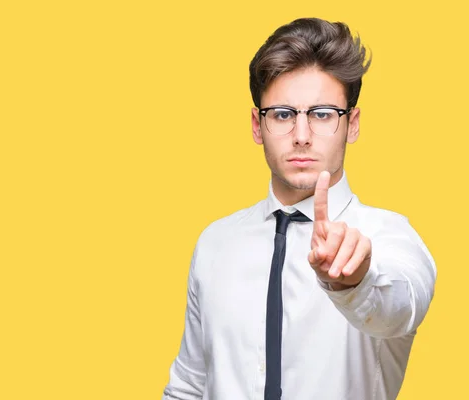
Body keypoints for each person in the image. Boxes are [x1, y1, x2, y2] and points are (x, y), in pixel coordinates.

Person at [161, 17, 437, 400]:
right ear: (258, 126)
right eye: (283, 114)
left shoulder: (390, 238)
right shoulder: (214, 243)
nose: (302, 136)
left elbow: (400, 308)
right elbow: (190, 386)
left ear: (352, 124)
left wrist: (353, 282)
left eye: (323, 114)